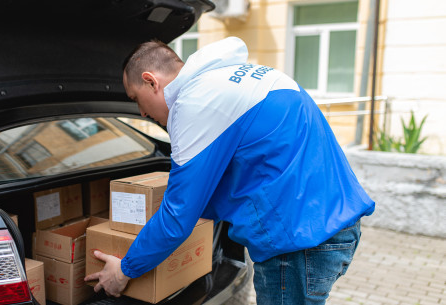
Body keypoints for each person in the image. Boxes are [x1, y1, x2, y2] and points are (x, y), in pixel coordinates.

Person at [84, 37, 375, 304]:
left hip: (298, 244)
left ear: (151, 82)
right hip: (327, 226)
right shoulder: (233, 79)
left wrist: (124, 270)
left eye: (136, 99)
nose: (143, 113)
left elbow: (177, 219)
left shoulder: (195, 103)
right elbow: (239, 172)